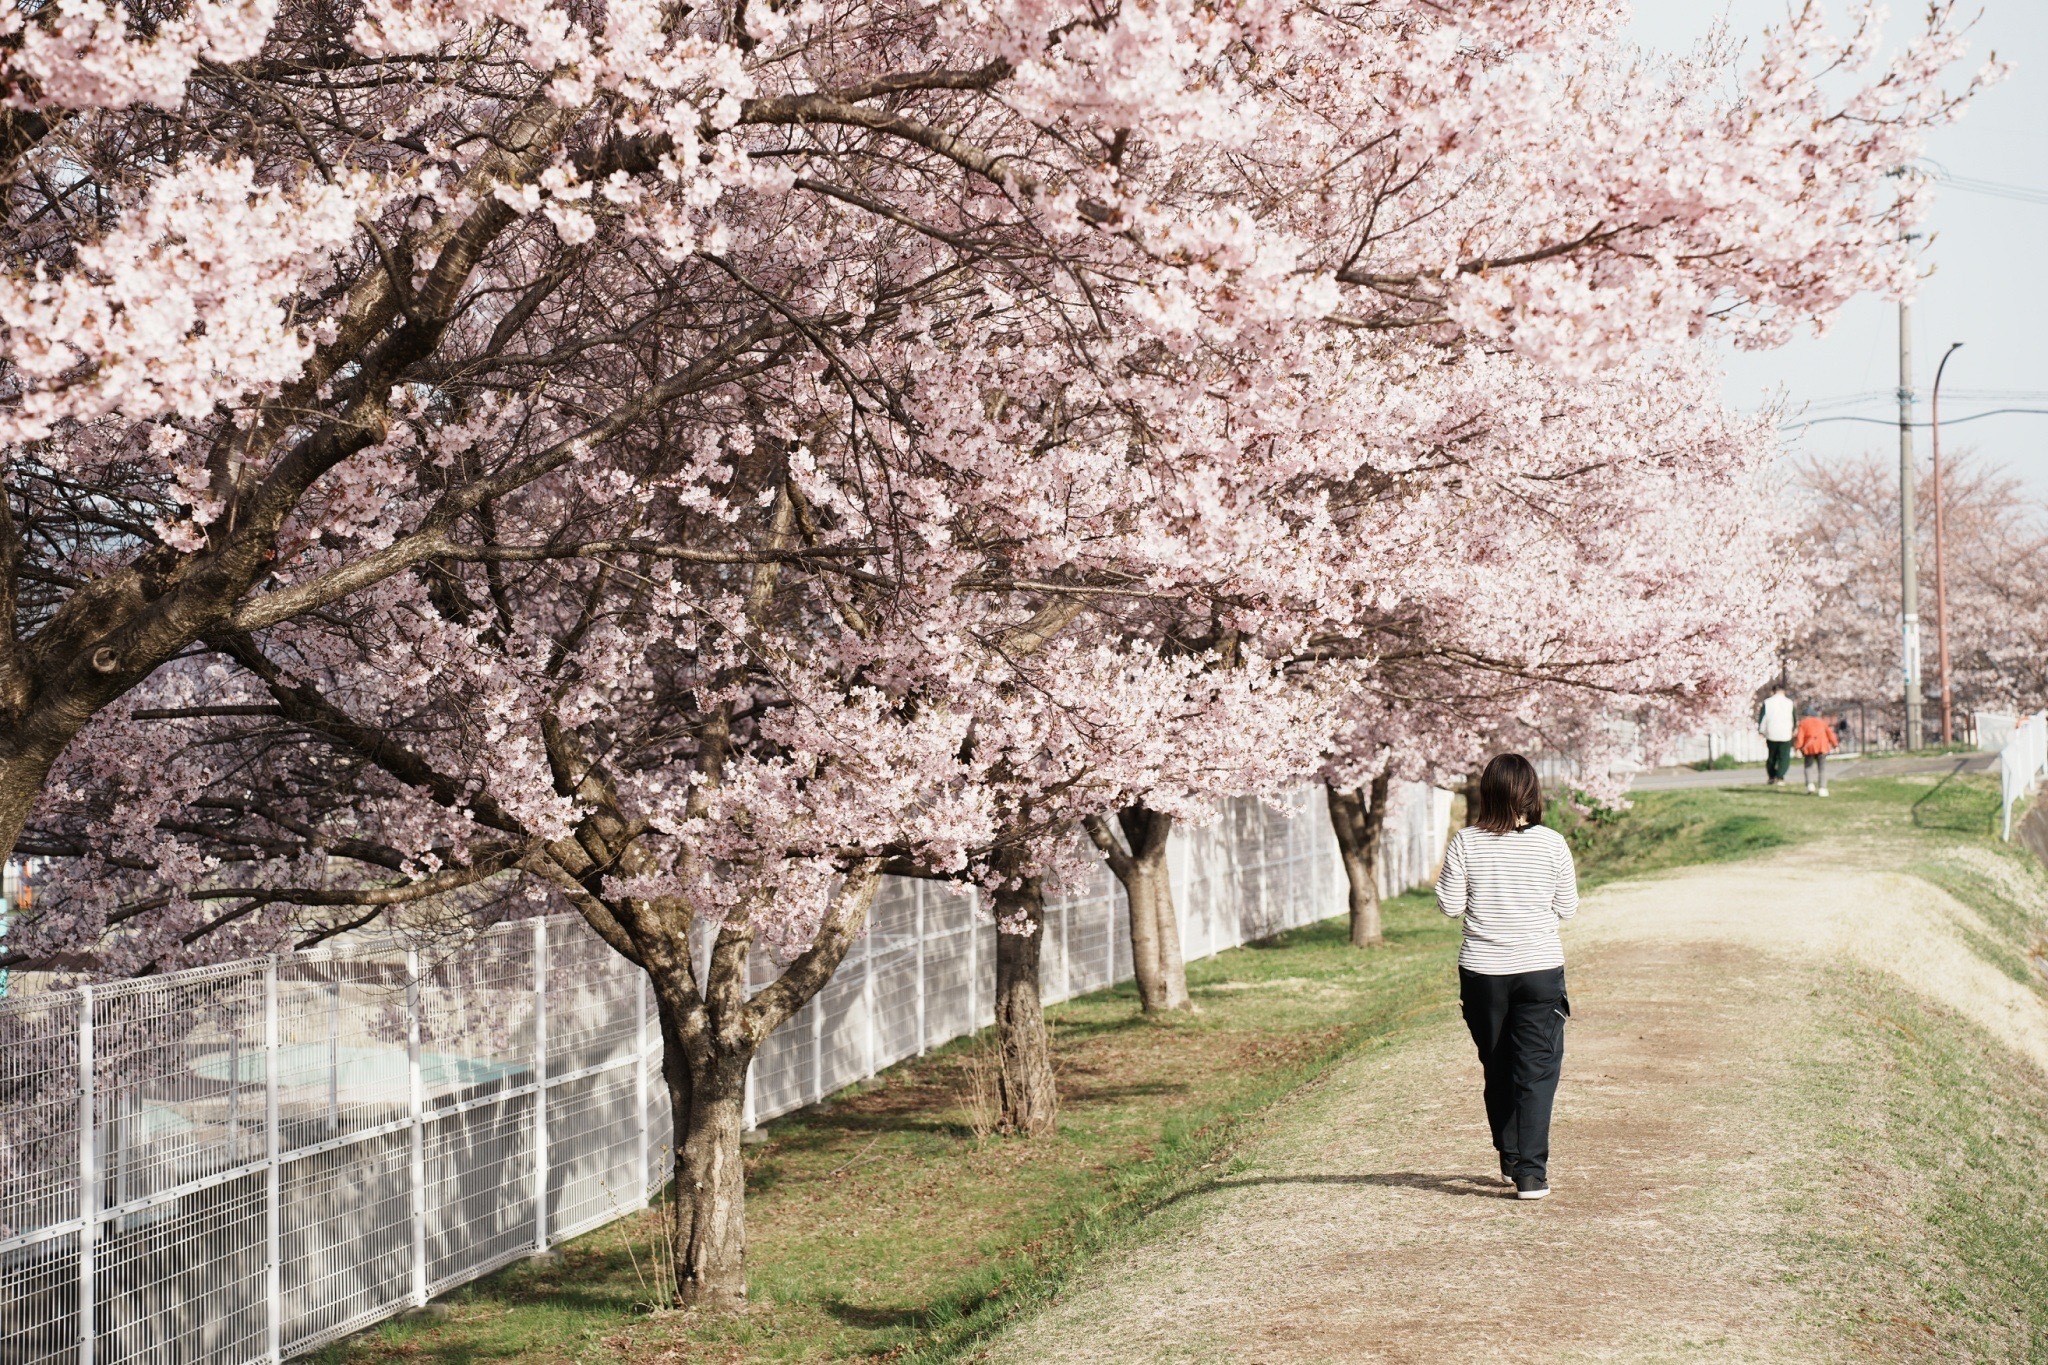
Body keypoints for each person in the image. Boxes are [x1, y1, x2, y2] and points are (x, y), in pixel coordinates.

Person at [1436, 753, 1579, 1201]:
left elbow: (1450, 905)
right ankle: (1531, 1174)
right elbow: (1568, 908)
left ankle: (1510, 1156)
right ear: (1532, 793)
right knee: (1535, 1071)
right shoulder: (1552, 843)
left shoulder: (1466, 842)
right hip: (1539, 968)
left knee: (1496, 1065)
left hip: (1483, 972)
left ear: (1488, 793)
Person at [1794, 710, 1840, 797]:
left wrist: (1798, 748)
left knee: (1808, 767)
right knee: (1822, 769)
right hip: (1822, 746)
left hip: (1809, 748)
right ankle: (1823, 789)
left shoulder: (1803, 723)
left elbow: (1800, 737)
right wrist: (1835, 745)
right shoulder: (1822, 722)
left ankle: (1809, 784)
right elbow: (1830, 734)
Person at [1757, 686, 1795, 785]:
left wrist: (1761, 731)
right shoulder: (1789, 703)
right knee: (1784, 757)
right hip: (1786, 733)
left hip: (1771, 732)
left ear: (1773, 691)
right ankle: (1780, 776)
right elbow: (1793, 718)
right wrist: (1793, 729)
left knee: (1772, 756)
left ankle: (1771, 776)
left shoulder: (1767, 702)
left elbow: (1762, 717)